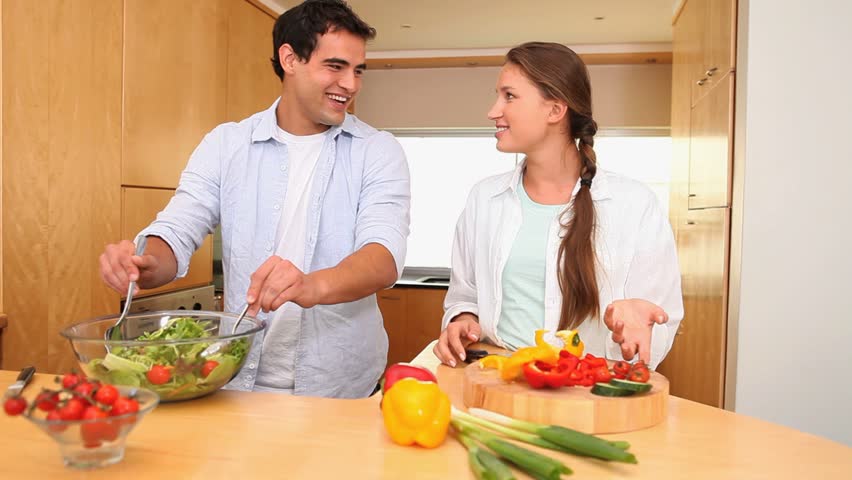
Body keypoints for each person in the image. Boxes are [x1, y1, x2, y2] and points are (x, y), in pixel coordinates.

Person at [98, 0, 410, 398]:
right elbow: (177, 230)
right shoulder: (227, 144)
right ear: (290, 59)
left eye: (358, 70)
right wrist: (141, 264)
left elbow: (382, 257)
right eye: (335, 66)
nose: (351, 84)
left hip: (340, 387)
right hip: (236, 379)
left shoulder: (377, 150)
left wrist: (310, 285)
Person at [434, 42, 683, 370]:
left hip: (589, 393)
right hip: (500, 383)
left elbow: (659, 320)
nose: (493, 111)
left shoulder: (634, 204)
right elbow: (464, 295)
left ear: (555, 110)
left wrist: (639, 323)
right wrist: (463, 319)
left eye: (509, 96)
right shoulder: (483, 199)